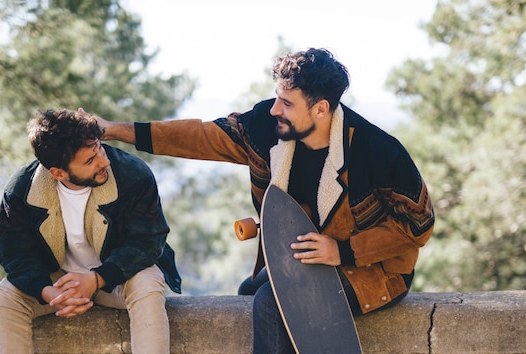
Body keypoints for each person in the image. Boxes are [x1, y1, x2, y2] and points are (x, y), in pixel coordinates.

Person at [97, 48, 434, 353]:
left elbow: (419, 225)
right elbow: (201, 136)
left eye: (287, 103)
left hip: (371, 270)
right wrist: (113, 130)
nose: (275, 109)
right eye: (277, 98)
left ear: (321, 108)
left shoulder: (378, 151)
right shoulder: (266, 126)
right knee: (249, 289)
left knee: (269, 304)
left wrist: (342, 250)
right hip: (299, 260)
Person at [0, 108, 181, 354]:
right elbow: (15, 254)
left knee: (148, 281)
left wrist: (96, 279)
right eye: (90, 160)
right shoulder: (20, 191)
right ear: (58, 173)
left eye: (99, 148)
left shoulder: (133, 174)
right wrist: (48, 292)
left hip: (116, 279)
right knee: (5, 296)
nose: (104, 161)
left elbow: (148, 242)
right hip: (58, 284)